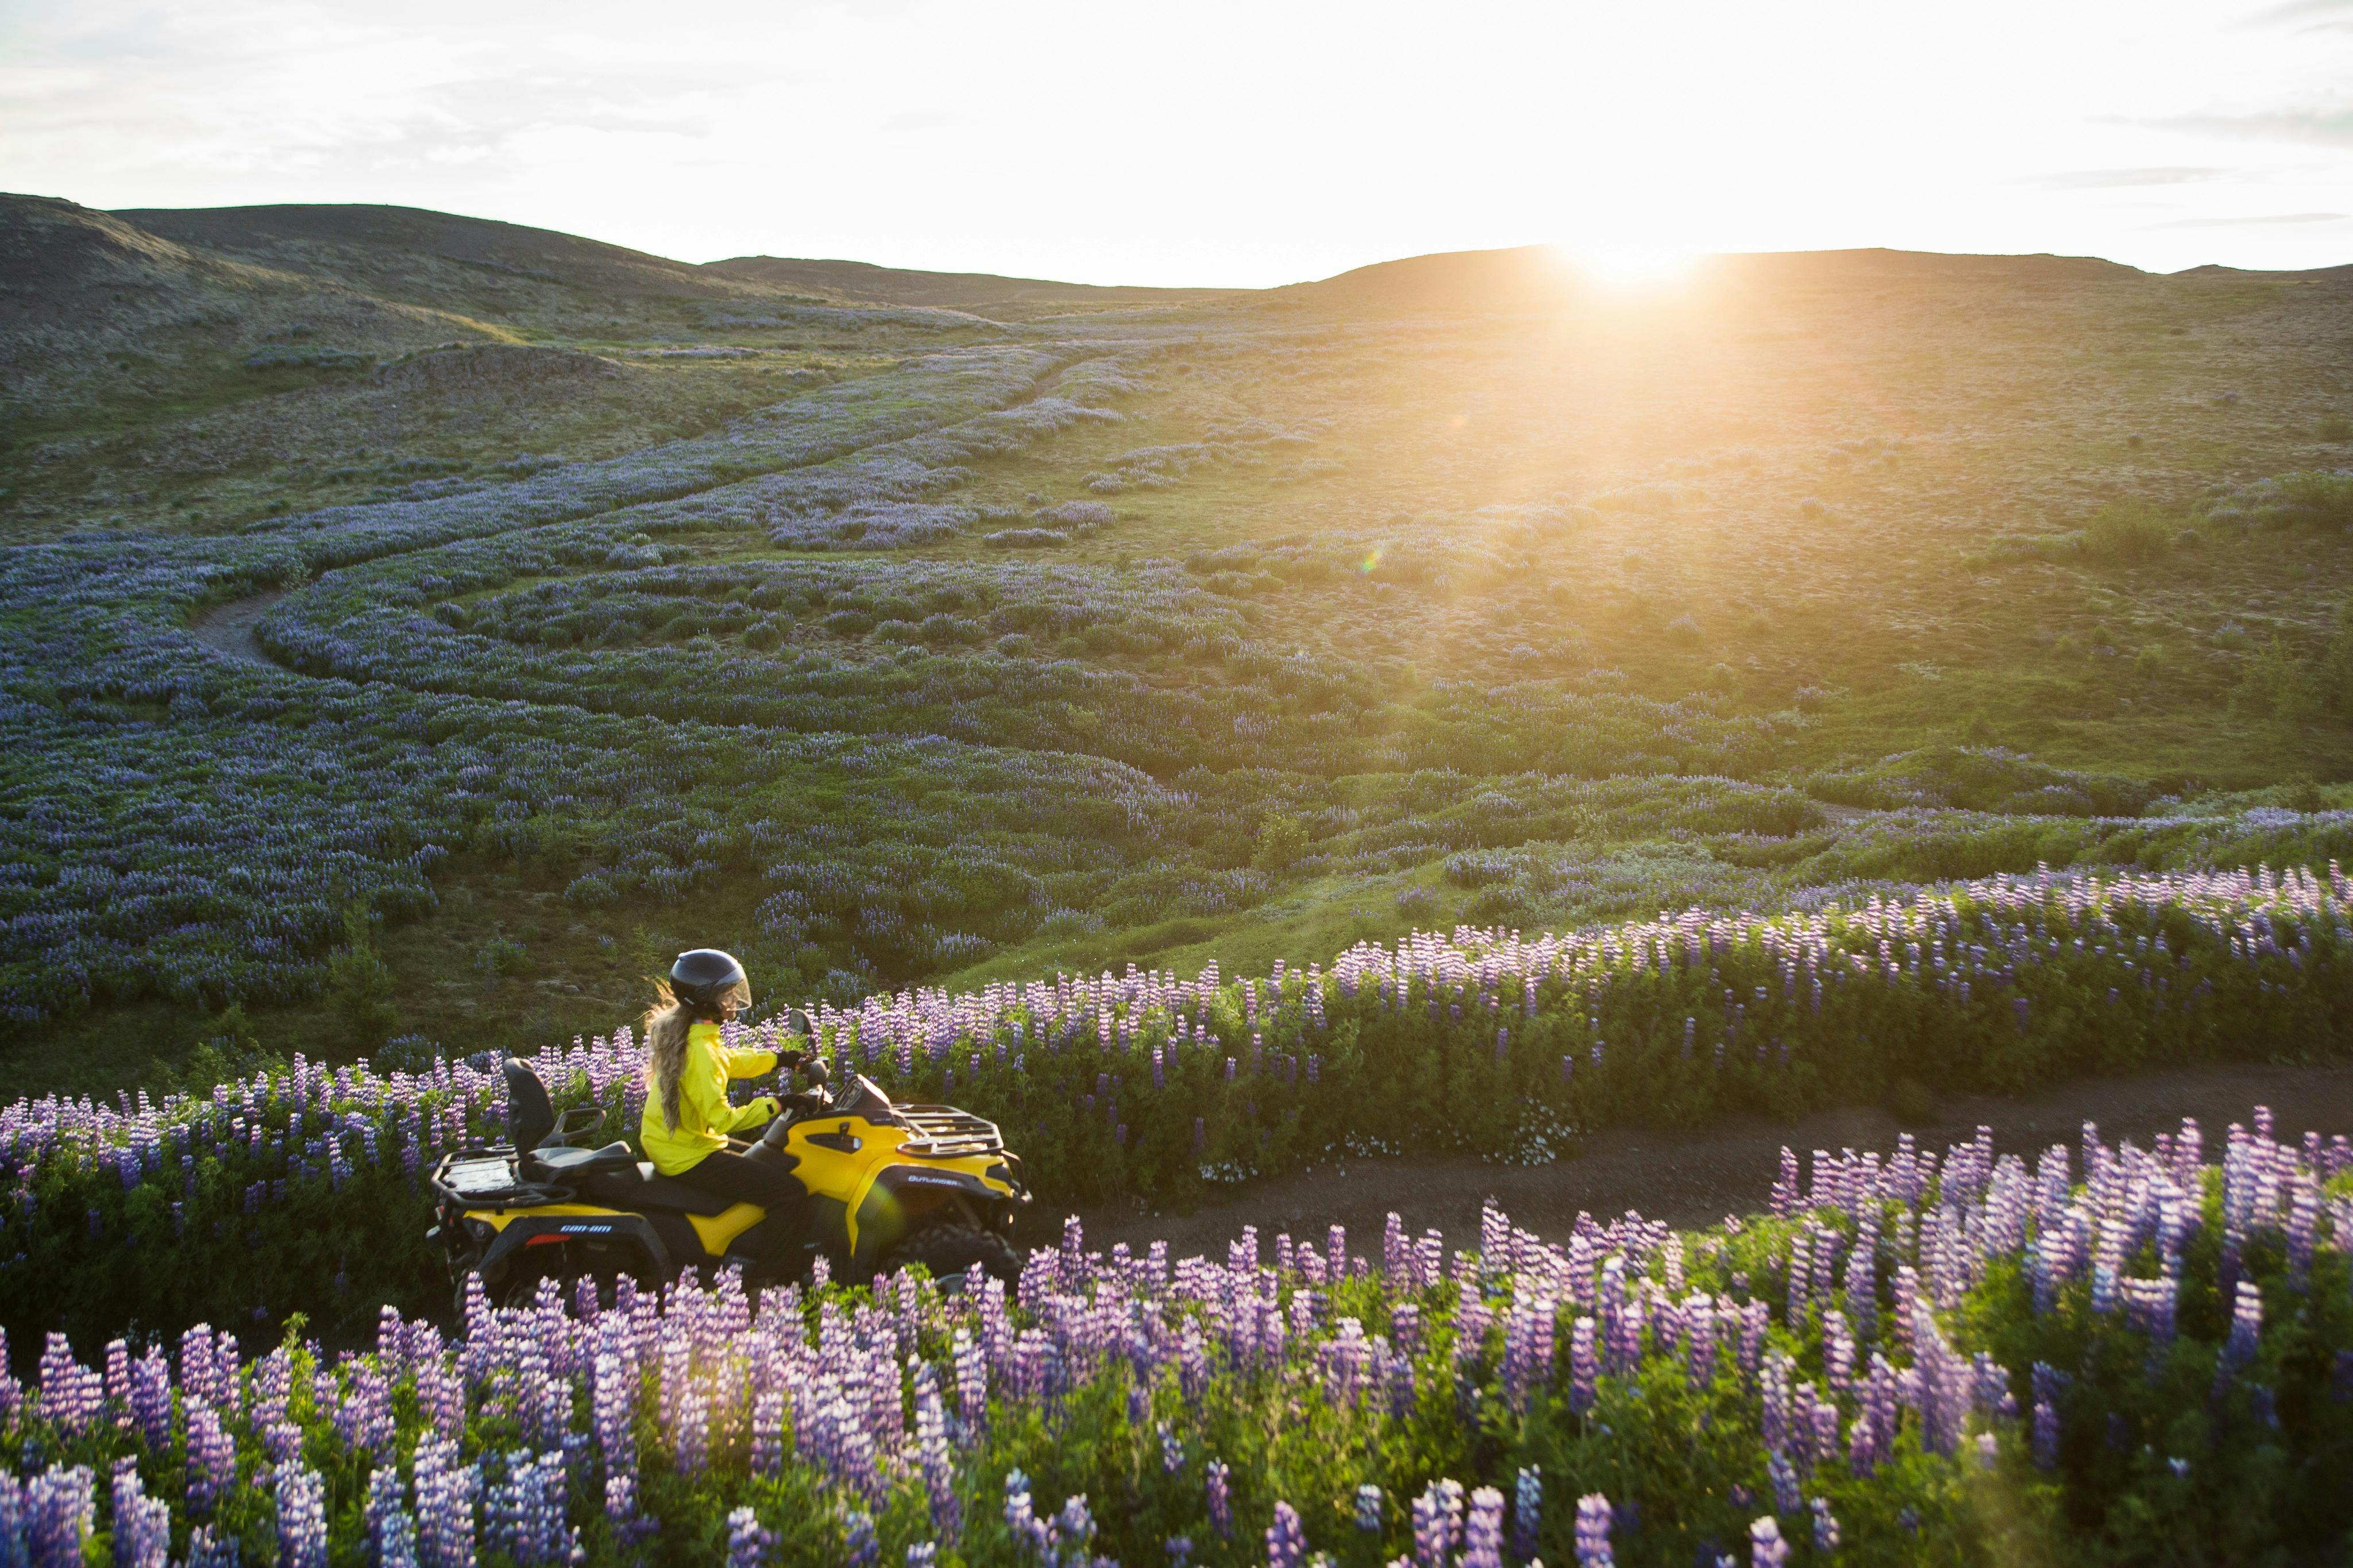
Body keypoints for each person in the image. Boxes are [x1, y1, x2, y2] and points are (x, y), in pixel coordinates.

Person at [638, 948, 813, 1267]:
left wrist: (781, 1059)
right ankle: (770, 1277)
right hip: (687, 1157)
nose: (734, 1000)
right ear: (706, 1000)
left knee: (771, 1158)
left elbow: (729, 1060)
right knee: (789, 1192)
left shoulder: (696, 1032)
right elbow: (721, 1119)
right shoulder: (701, 1051)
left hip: (680, 1144)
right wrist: (778, 1104)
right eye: (727, 994)